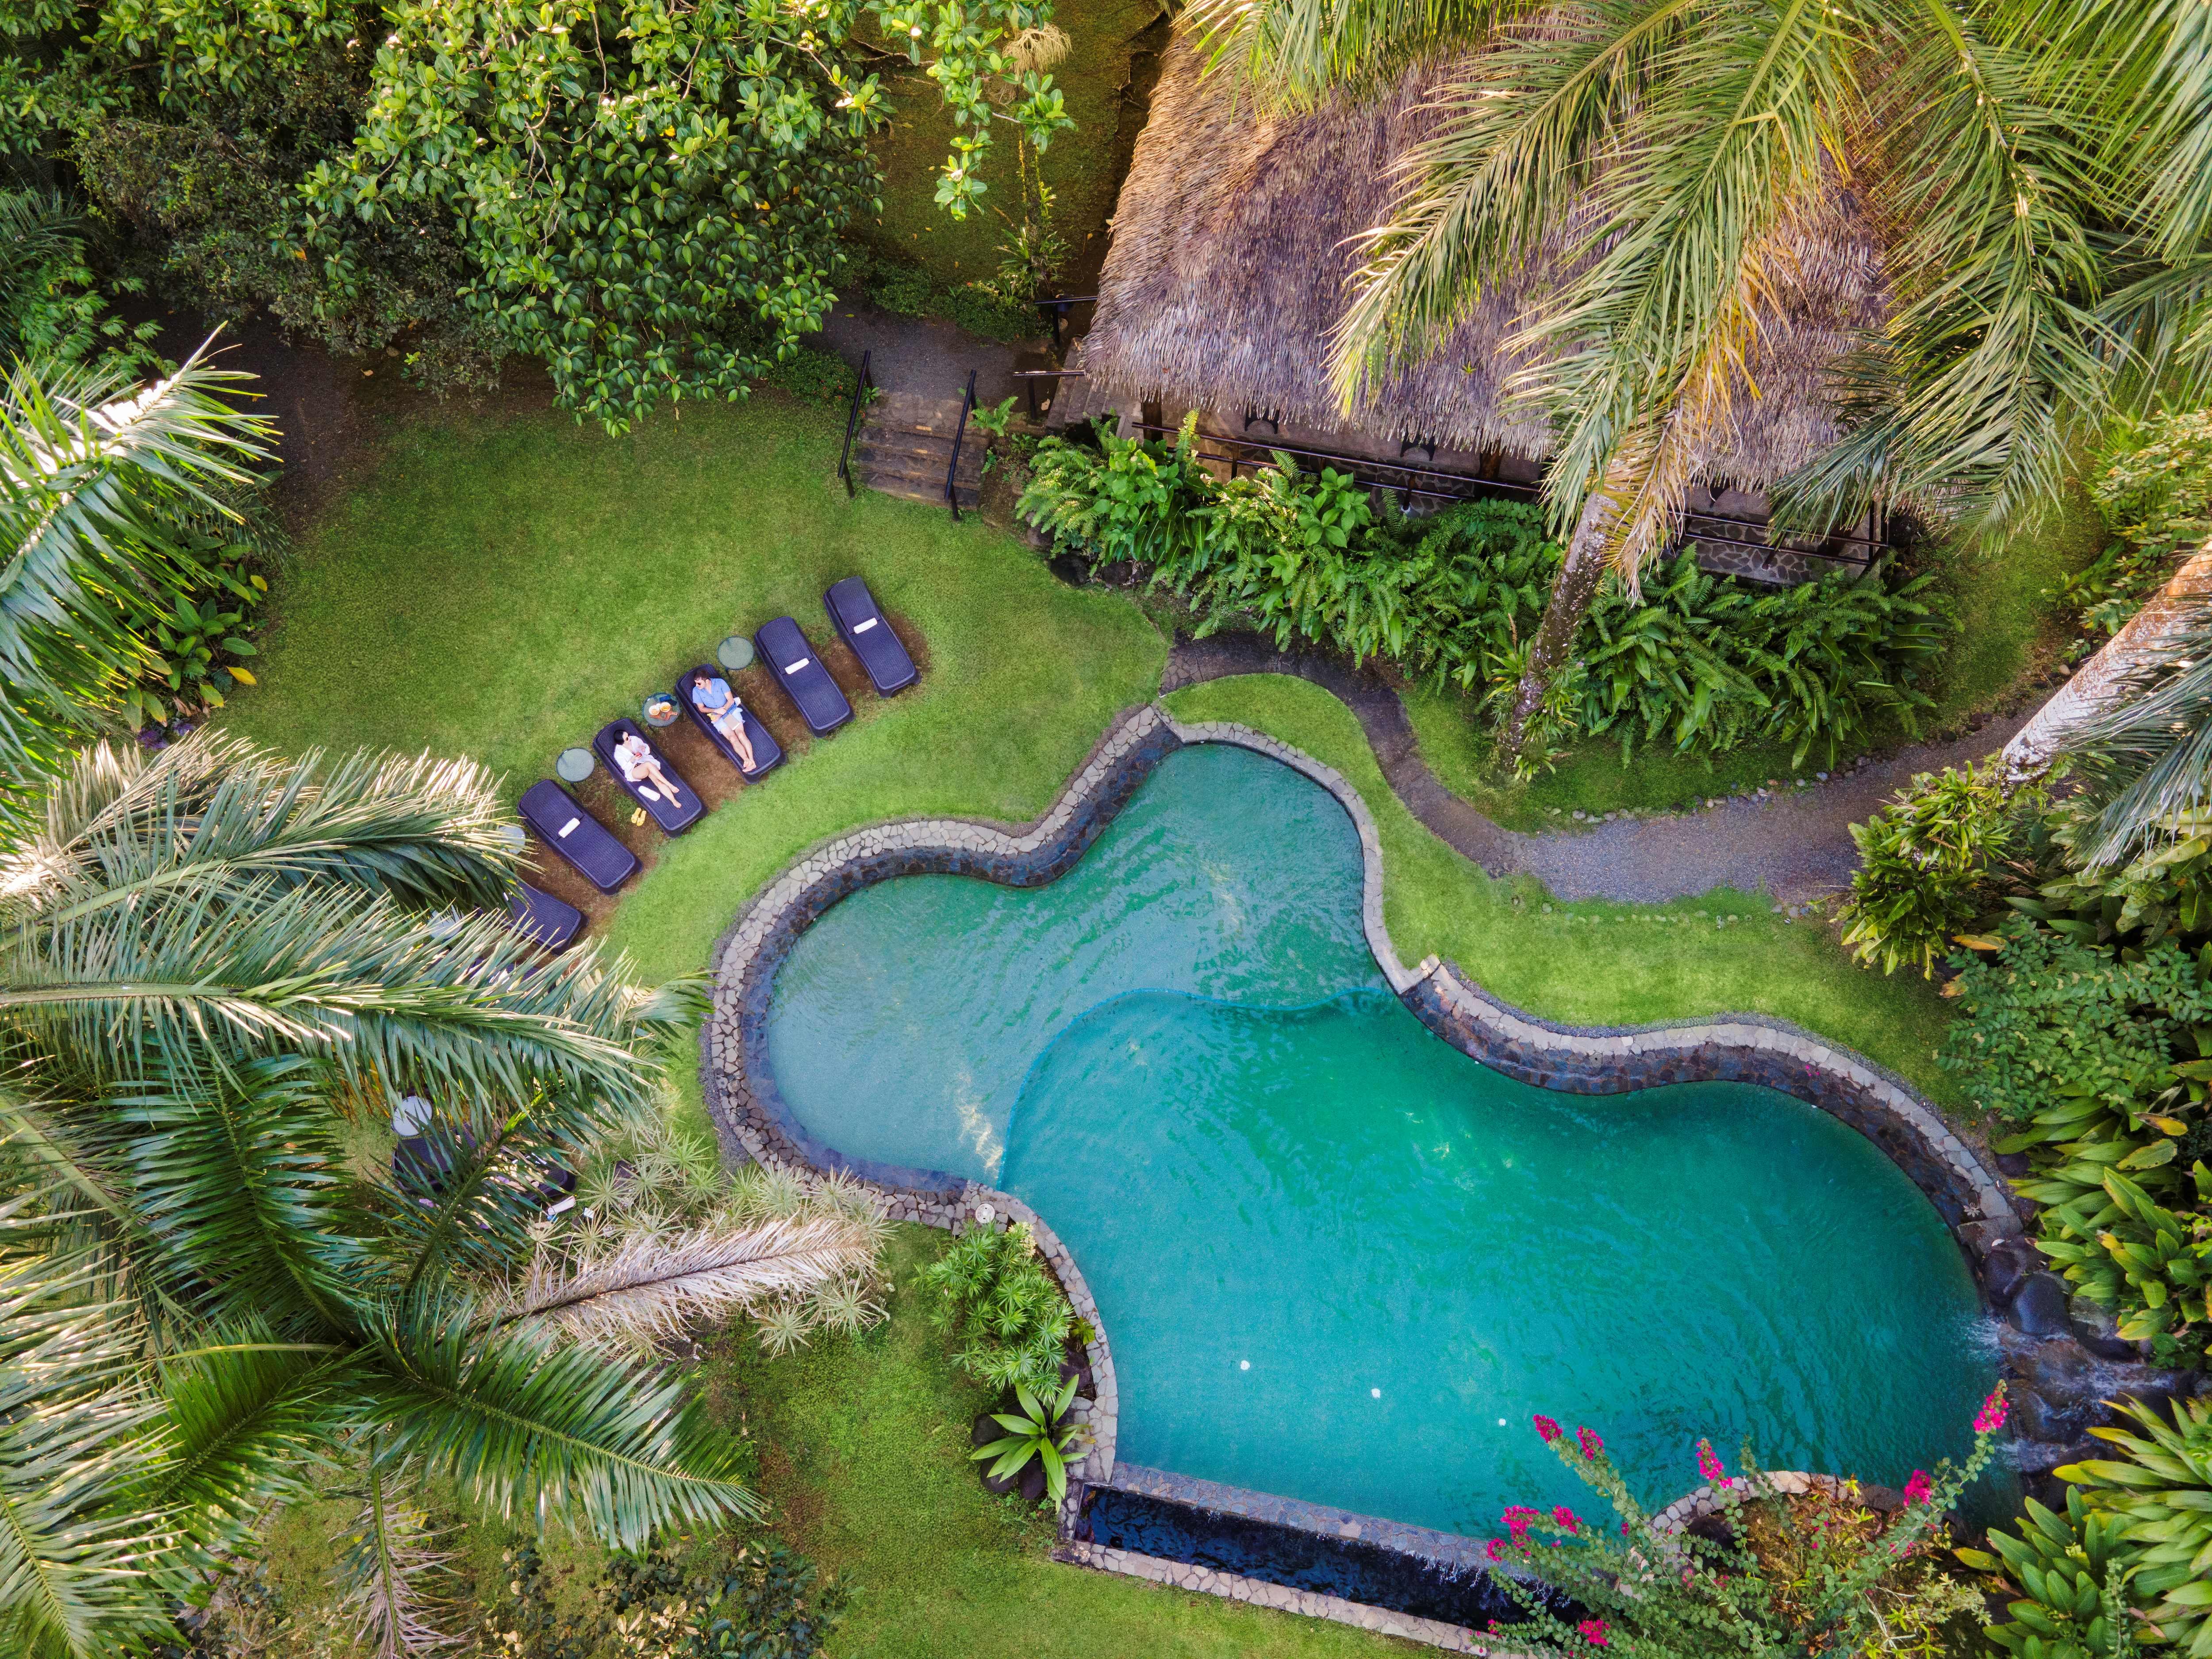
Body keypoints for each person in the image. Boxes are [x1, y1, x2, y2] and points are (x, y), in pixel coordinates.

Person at [687, 669, 758, 772]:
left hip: (729, 712)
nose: (697, 685)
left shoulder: (720, 683)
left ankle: (752, 761)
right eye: (696, 683)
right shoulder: (696, 691)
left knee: (740, 734)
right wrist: (716, 711)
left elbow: (730, 700)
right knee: (732, 738)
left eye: (699, 683)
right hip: (717, 715)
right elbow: (701, 708)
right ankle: (747, 760)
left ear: (707, 681)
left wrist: (722, 712)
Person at [612, 729, 684, 802]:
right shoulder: (618, 753)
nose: (630, 738)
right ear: (622, 743)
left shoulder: (634, 739)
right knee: (648, 764)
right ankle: (670, 785)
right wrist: (633, 759)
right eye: (627, 739)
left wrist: (644, 748)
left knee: (658, 782)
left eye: (628, 735)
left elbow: (646, 749)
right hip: (635, 770)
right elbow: (625, 768)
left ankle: (673, 801)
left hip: (645, 762)